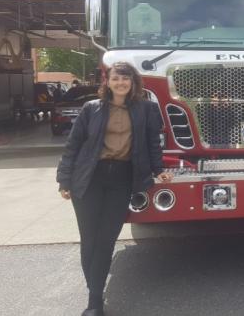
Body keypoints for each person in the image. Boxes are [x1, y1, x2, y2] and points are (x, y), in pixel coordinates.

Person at [56, 62, 173, 316]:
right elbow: (73, 145)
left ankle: (94, 298)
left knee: (106, 239)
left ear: (133, 82)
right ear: (107, 82)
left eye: (125, 78)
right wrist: (64, 180)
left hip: (121, 179)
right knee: (89, 239)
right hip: (89, 178)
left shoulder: (146, 109)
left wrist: (158, 169)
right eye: (116, 78)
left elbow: (153, 143)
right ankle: (95, 298)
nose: (120, 83)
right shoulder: (91, 108)